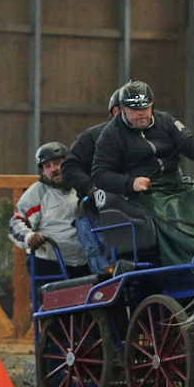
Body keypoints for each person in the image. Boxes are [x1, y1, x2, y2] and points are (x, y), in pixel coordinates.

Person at [91, 80, 194, 266]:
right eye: (135, 109)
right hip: (146, 195)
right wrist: (131, 183)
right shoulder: (111, 134)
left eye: (146, 107)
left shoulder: (165, 120)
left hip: (178, 184)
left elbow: (189, 142)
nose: (142, 113)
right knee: (178, 227)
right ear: (123, 109)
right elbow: (99, 174)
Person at [60, 89, 120, 274]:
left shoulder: (142, 138)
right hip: (95, 213)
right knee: (105, 266)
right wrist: (90, 189)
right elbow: (69, 167)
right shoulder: (91, 137)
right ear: (116, 111)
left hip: (131, 209)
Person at [9, 142, 90, 280]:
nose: (54, 169)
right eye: (47, 166)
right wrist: (29, 237)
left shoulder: (83, 185)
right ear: (42, 171)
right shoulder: (35, 195)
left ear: (68, 163)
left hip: (86, 260)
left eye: (57, 163)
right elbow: (15, 224)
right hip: (50, 262)